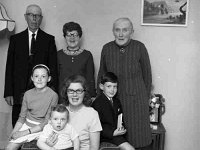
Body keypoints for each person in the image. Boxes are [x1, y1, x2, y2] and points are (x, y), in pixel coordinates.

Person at [97, 17, 152, 149]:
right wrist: (102, 101)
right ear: (113, 32)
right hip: (113, 101)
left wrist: (145, 99)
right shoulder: (107, 48)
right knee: (116, 139)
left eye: (125, 30)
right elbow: (101, 76)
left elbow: (147, 76)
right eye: (117, 30)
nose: (121, 34)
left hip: (136, 103)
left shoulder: (139, 47)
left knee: (139, 139)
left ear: (131, 32)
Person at [4, 4, 58, 127]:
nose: (34, 18)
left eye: (37, 16)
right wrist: (8, 92)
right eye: (31, 15)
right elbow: (9, 67)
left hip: (42, 93)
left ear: (41, 18)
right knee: (18, 124)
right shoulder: (15, 39)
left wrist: (53, 93)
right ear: (25, 17)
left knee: (40, 126)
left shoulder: (49, 40)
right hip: (18, 91)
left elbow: (53, 69)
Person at [5, 64, 58, 150]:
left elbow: (47, 121)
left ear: (49, 79)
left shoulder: (53, 95)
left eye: (43, 76)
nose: (39, 79)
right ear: (32, 78)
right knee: (9, 147)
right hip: (27, 125)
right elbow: (22, 118)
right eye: (36, 76)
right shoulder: (27, 94)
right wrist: (14, 133)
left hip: (44, 128)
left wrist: (24, 133)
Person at [51, 75, 101, 150]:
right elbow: (49, 134)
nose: (75, 94)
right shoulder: (59, 109)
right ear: (66, 92)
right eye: (71, 91)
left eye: (79, 91)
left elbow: (94, 147)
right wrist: (48, 143)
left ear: (84, 93)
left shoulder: (92, 114)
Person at [92, 72, 135, 150]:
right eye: (109, 86)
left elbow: (120, 118)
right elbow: (96, 126)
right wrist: (112, 133)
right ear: (101, 86)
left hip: (116, 134)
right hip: (105, 136)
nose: (112, 90)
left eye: (115, 87)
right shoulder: (97, 103)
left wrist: (121, 127)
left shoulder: (116, 101)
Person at [57, 22, 96, 101]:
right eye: (68, 35)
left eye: (75, 35)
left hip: (81, 97)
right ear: (65, 37)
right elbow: (56, 78)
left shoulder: (87, 55)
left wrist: (91, 97)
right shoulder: (58, 55)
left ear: (80, 37)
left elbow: (90, 79)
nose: (72, 38)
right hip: (63, 97)